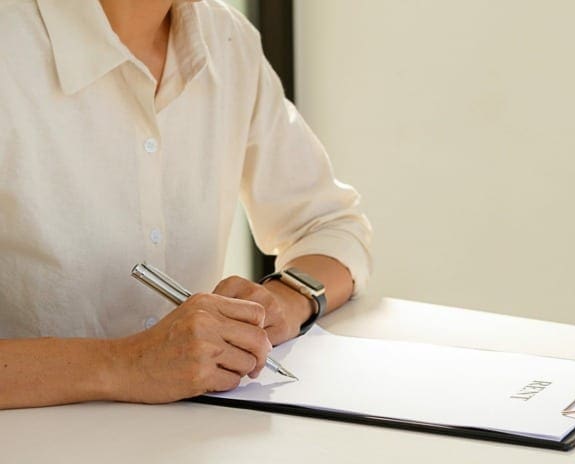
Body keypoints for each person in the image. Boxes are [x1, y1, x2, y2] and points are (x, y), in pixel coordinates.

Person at [0, 0, 372, 409]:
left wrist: (281, 303)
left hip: (189, 448)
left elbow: (331, 225)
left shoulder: (227, 41)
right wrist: (126, 364)